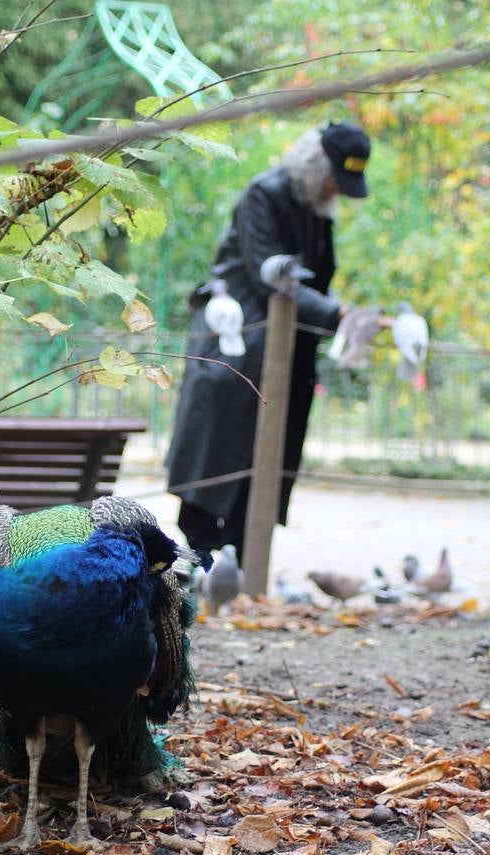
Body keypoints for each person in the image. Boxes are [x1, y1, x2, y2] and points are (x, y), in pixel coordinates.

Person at [167, 121, 372, 564]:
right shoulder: (265, 194)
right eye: (338, 177)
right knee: (217, 451)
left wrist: (341, 314)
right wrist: (336, 314)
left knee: (272, 454)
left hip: (288, 349)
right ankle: (200, 559)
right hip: (236, 341)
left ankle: (245, 560)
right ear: (318, 166)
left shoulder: (318, 205)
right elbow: (270, 279)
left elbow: (315, 280)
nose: (339, 189)